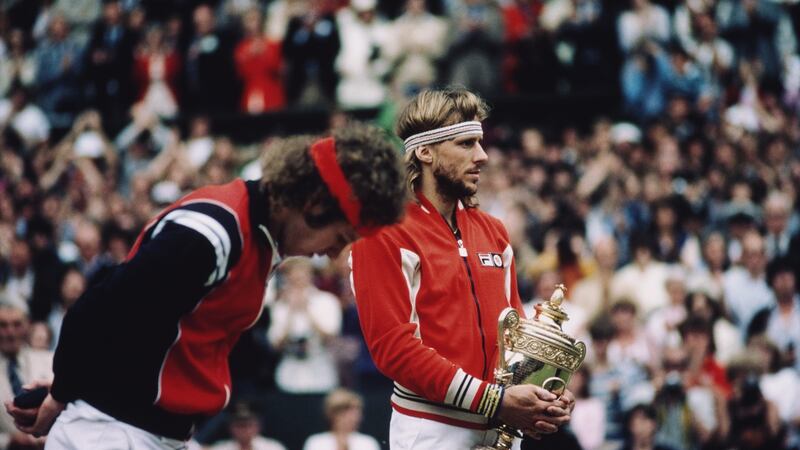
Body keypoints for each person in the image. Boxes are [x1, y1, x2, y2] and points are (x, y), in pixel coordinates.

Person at [6, 123, 406, 449]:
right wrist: (64, 391)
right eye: (342, 236)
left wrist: (71, 384)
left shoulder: (256, 235)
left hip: (139, 430)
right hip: (112, 432)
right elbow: (98, 307)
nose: (336, 253)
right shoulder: (215, 233)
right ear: (314, 204)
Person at [349, 87, 573, 449]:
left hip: (503, 427)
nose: (482, 156)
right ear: (424, 151)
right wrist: (493, 400)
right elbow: (394, 348)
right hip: (432, 429)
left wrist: (544, 391)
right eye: (466, 144)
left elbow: (513, 336)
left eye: (480, 143)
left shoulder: (493, 230)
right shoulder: (383, 232)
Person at [0, 302, 51, 449]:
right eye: (3, 325)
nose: (9, 332)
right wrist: (8, 441)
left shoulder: (50, 361)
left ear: (27, 326)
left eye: (16, 325)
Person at [302, 388, 380, 450]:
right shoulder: (316, 442)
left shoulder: (368, 443)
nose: (354, 418)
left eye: (356, 413)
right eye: (346, 413)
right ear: (333, 414)